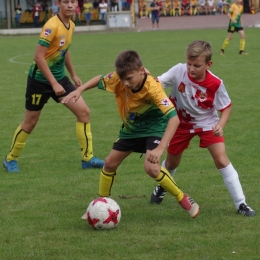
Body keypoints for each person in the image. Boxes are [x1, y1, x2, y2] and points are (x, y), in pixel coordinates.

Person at [62, 50, 200, 219]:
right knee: (110, 163)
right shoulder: (118, 79)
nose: (125, 83)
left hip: (154, 128)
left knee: (152, 168)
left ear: (141, 70)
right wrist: (80, 89)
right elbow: (100, 79)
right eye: (122, 79)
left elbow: (174, 118)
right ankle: (101, 206)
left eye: (129, 79)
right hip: (131, 128)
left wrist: (160, 148)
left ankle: (183, 199)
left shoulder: (153, 88)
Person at [150, 40, 256, 217]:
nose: (191, 69)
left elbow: (226, 106)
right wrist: (147, 79)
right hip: (179, 123)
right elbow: (157, 83)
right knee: (172, 162)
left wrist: (220, 125)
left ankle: (241, 204)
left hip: (207, 123)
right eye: (189, 64)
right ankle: (162, 187)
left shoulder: (215, 83)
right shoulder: (178, 70)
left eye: (197, 66)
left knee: (221, 159)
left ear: (209, 64)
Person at [3, 0, 104, 173]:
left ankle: (87, 158)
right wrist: (54, 83)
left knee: (84, 112)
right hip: (40, 82)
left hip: (60, 79)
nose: (70, 5)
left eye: (73, 2)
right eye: (66, 2)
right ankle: (10, 159)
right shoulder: (51, 26)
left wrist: (72, 74)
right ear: (58, 4)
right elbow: (38, 57)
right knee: (30, 123)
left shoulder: (71, 24)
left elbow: (64, 50)